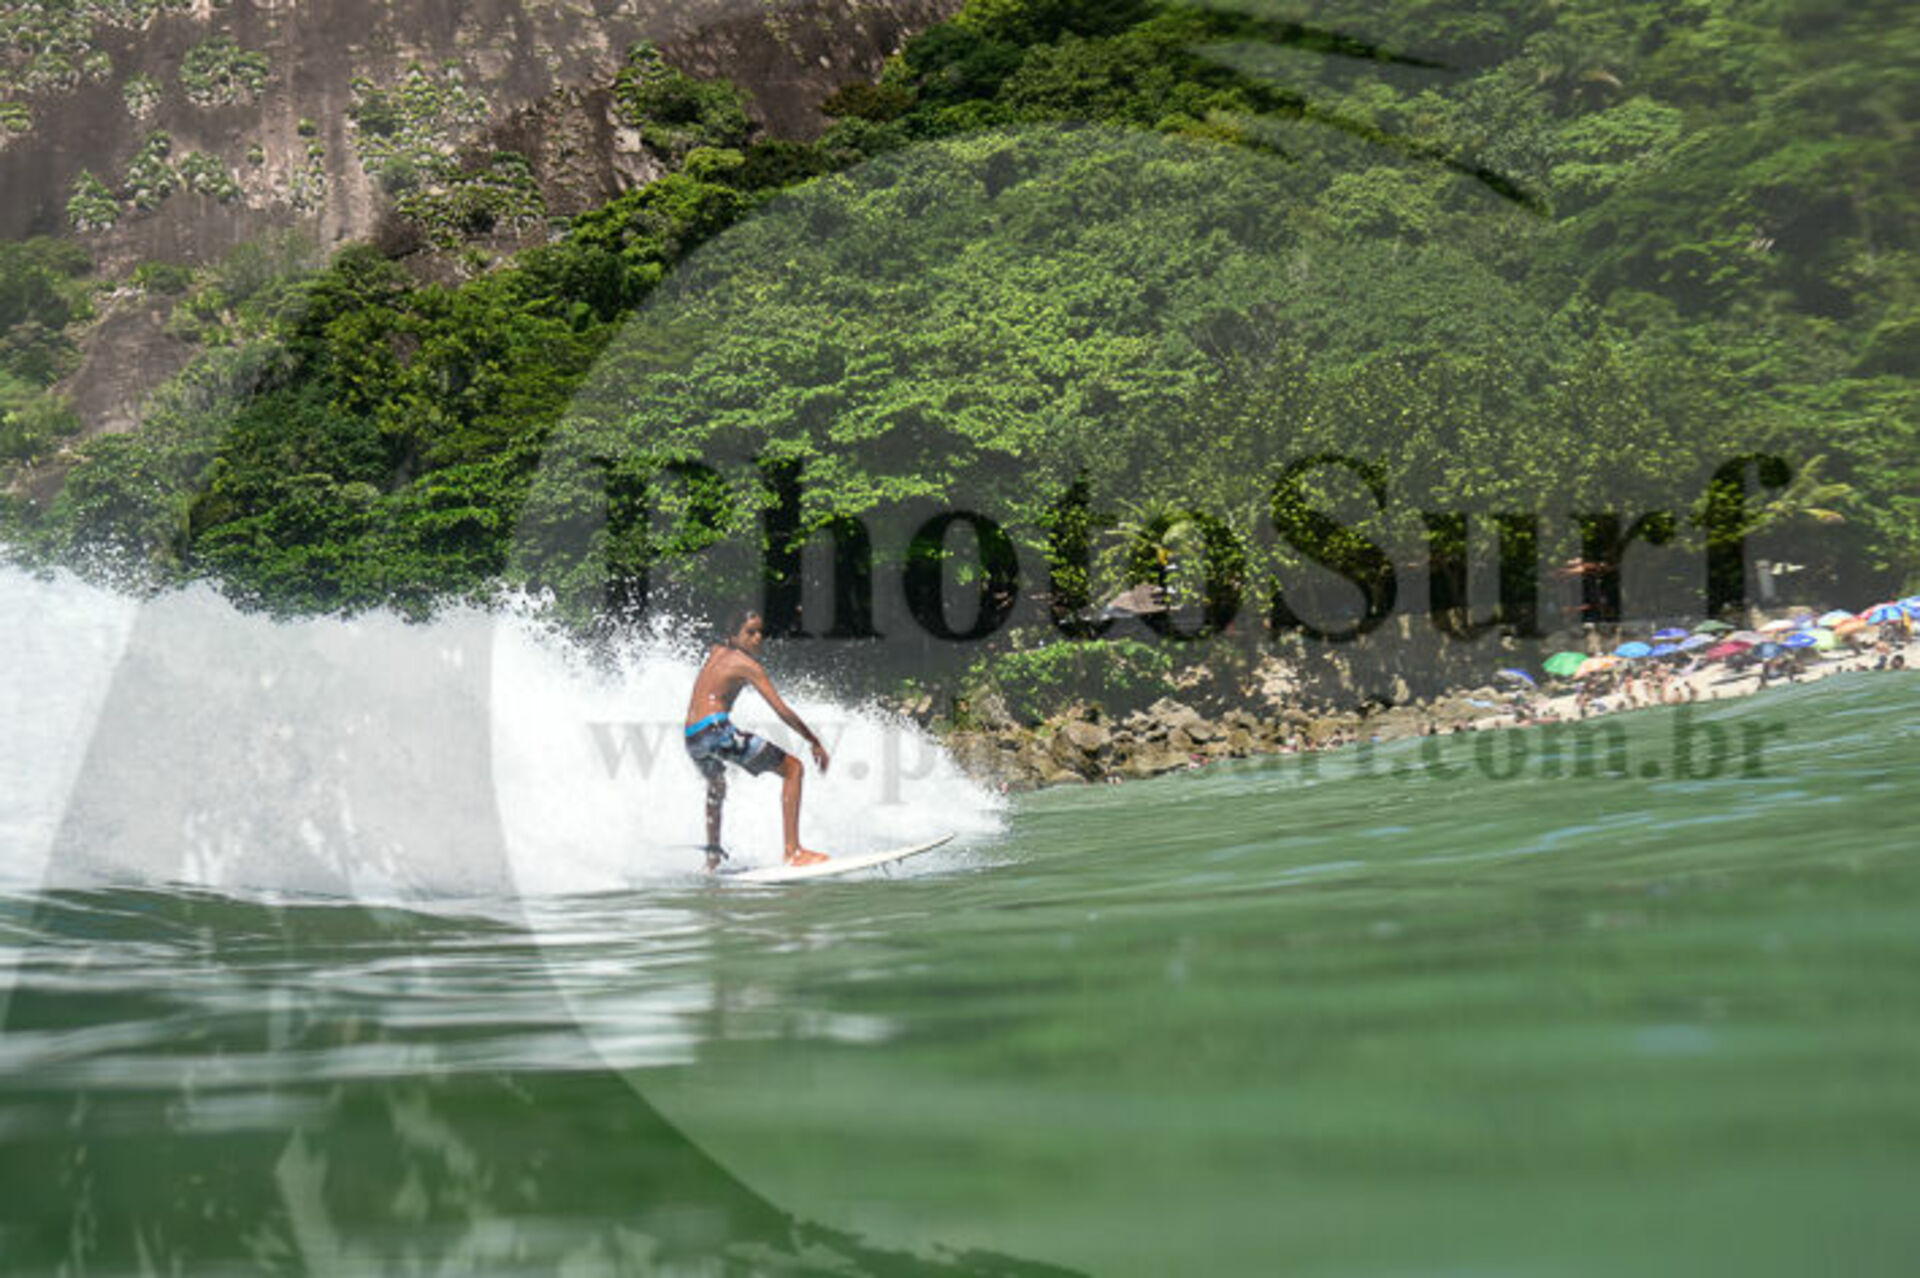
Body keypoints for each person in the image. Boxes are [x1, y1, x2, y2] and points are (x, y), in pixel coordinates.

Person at [683, 609, 831, 871]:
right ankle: (793, 852)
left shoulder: (715, 652)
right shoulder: (747, 665)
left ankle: (712, 859)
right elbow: (781, 710)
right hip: (716, 731)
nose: (758, 638)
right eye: (750, 632)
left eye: (760, 632)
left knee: (716, 786)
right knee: (794, 769)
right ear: (732, 635)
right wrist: (813, 740)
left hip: (693, 736)